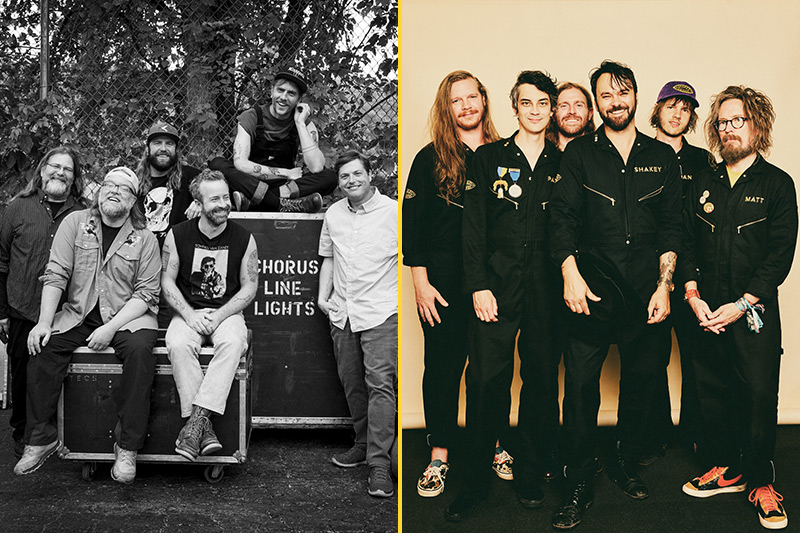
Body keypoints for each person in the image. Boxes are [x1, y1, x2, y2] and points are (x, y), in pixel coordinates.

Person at [549, 60, 682, 529]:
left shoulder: (662, 157)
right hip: (592, 291)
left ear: (636, 97)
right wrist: (569, 274)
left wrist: (666, 286)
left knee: (640, 383)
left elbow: (672, 226)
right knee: (582, 389)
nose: (615, 101)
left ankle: (624, 462)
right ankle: (579, 479)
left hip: (648, 294)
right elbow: (561, 218)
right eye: (605, 95)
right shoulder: (579, 154)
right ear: (596, 103)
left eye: (622, 93)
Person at [445, 70, 563, 522]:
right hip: (495, 288)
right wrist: (477, 284)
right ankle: (473, 482)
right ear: (515, 107)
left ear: (551, 111)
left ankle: (530, 473)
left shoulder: (561, 162)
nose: (535, 111)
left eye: (543, 104)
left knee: (539, 383)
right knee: (486, 383)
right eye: (527, 102)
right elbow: (472, 228)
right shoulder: (489, 159)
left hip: (546, 292)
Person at [680, 85, 797, 531]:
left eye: (738, 121)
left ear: (757, 126)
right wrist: (692, 295)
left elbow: (779, 255)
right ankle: (727, 470)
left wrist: (742, 303)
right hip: (707, 312)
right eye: (723, 122)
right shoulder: (705, 182)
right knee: (712, 393)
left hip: (752, 312)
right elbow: (687, 242)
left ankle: (761, 481)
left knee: (756, 393)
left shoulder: (777, 184)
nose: (729, 129)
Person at [403, 70, 513, 499]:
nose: (466, 106)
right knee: (444, 371)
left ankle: (496, 444)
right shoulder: (429, 158)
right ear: (446, 109)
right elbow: (413, 229)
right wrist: (420, 284)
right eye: (456, 100)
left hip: (495, 284)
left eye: (473, 97)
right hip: (443, 286)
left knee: (492, 373)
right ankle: (439, 454)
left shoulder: (506, 156)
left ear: (484, 101)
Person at [14, 166, 161, 484]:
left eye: (123, 188)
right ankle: (41, 438)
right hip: (79, 313)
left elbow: (146, 295)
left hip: (127, 318)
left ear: (133, 199)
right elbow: (56, 274)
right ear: (99, 190)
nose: (113, 191)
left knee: (140, 353)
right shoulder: (74, 223)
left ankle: (127, 449)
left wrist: (110, 329)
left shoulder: (145, 238)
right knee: (43, 344)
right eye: (109, 184)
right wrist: (42, 322)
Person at [160, 169, 258, 461]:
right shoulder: (177, 235)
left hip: (226, 314)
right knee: (177, 343)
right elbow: (167, 281)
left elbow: (249, 286)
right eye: (214, 199)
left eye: (226, 197)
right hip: (189, 312)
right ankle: (204, 429)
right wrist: (189, 315)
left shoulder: (244, 238)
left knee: (233, 343)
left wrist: (220, 316)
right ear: (199, 203)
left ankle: (194, 425)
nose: (223, 204)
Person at [317, 151, 397, 498]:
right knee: (352, 383)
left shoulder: (393, 212)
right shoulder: (334, 214)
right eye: (345, 177)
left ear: (369, 174)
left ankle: (380, 466)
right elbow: (328, 256)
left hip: (381, 312)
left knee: (380, 383)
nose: (351, 181)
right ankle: (363, 444)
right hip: (343, 313)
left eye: (356, 174)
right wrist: (324, 296)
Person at [0, 147, 86, 459]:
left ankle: (59, 433)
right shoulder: (18, 208)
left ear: (75, 178)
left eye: (68, 169)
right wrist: (2, 313)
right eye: (55, 166)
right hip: (23, 309)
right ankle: (23, 436)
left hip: (65, 315)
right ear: (42, 169)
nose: (60, 173)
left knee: (58, 374)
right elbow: (1, 262)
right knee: (23, 376)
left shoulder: (83, 213)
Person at [645, 81, 713, 461]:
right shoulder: (639, 154)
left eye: (685, 109)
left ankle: (695, 434)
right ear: (656, 110)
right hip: (649, 274)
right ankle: (653, 432)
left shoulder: (703, 161)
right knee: (651, 357)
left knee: (696, 356)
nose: (677, 114)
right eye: (670, 106)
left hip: (692, 274)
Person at [209, 67, 336, 213]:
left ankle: (254, 203)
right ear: (272, 91)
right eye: (280, 90)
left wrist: (300, 123)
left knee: (330, 177)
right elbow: (241, 164)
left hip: (282, 187)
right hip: (250, 182)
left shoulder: (305, 123)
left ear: (299, 99)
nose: (284, 97)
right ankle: (283, 204)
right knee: (217, 164)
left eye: (291, 93)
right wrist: (287, 173)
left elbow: (316, 167)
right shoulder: (251, 116)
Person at [136, 121, 202, 327]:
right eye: (157, 143)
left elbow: (220, 194)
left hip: (177, 265)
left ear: (176, 150)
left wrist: (202, 202)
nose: (163, 148)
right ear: (147, 148)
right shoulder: (134, 181)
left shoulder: (191, 177)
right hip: (141, 264)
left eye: (169, 143)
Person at [551, 82, 595, 151]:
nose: (572, 111)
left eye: (579, 105)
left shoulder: (600, 154)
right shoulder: (542, 153)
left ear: (590, 113)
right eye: (564, 106)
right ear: (553, 114)